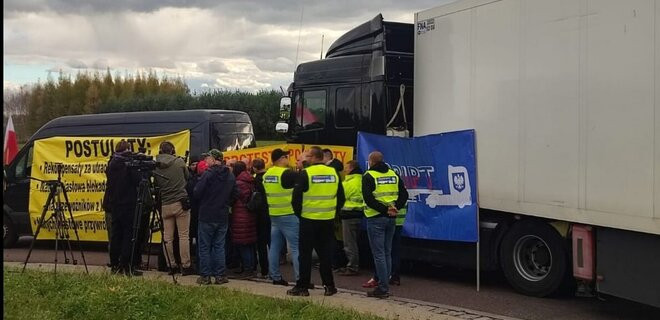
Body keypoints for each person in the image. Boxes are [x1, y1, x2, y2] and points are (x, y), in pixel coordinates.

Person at [287, 146, 345, 297]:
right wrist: (333, 212)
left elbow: (296, 199)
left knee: (305, 255)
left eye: (307, 156)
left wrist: (300, 215)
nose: (305, 159)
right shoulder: (333, 173)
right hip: (327, 220)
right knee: (325, 254)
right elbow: (341, 197)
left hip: (308, 220)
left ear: (313, 158)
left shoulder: (306, 173)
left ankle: (302, 287)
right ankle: (330, 286)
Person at [361, 151, 408, 298]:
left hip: (376, 218)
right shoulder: (393, 174)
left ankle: (382, 288)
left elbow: (368, 199)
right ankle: (385, 284)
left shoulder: (368, 176)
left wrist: (384, 210)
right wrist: (395, 208)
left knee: (379, 254)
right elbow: (404, 194)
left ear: (371, 161)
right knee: (387, 252)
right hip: (392, 218)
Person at [193, 149, 236, 285]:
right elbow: (235, 193)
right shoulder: (230, 175)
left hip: (207, 214)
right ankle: (220, 275)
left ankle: (205, 276)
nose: (206, 161)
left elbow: (197, 192)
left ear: (214, 159)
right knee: (219, 246)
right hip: (222, 214)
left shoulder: (208, 174)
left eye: (208, 158)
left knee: (205, 246)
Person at [154, 141, 193, 276]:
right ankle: (186, 265)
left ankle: (171, 264)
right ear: (172, 150)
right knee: (183, 236)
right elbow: (188, 178)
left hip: (165, 203)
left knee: (167, 238)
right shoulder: (179, 162)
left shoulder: (156, 165)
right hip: (180, 202)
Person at [263, 149, 300, 286]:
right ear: (280, 159)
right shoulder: (287, 173)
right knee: (296, 248)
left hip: (274, 214)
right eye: (286, 156)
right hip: (289, 214)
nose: (288, 158)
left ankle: (275, 277)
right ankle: (300, 279)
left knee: (274, 247)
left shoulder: (267, 174)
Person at [104, 141, 141, 276]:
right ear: (127, 150)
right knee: (128, 236)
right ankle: (126, 264)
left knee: (115, 235)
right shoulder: (128, 165)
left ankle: (114, 264)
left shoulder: (111, 164)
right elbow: (138, 180)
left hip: (114, 204)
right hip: (128, 204)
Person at [230, 161, 258, 278]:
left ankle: (248, 269)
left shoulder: (238, 183)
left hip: (240, 216)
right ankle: (250, 266)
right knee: (249, 242)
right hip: (249, 215)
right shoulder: (250, 180)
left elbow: (234, 198)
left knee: (243, 243)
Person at [338, 160, 364, 276]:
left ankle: (352, 266)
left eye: (347, 168)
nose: (345, 170)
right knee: (354, 241)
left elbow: (340, 196)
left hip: (348, 214)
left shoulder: (350, 182)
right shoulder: (362, 180)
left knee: (349, 243)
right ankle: (353, 264)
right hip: (359, 214)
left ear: (352, 168)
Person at [252, 158, 270, 278]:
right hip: (271, 211)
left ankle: (264, 270)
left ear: (254, 168)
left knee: (261, 244)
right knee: (272, 243)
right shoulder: (269, 177)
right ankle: (273, 269)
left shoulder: (256, 180)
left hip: (260, 214)